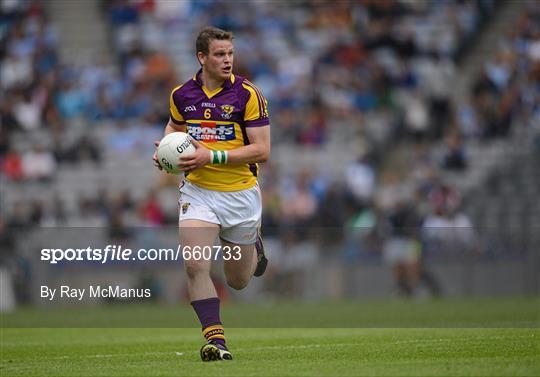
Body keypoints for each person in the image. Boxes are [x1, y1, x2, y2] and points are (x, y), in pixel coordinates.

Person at [152, 26, 270, 362]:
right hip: (198, 191)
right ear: (202, 57)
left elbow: (262, 151)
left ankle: (255, 244)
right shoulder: (181, 95)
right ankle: (215, 340)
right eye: (219, 54)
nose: (227, 60)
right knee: (194, 265)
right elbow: (175, 128)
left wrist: (211, 155)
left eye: (230, 54)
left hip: (240, 195)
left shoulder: (248, 95)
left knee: (238, 281)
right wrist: (165, 151)